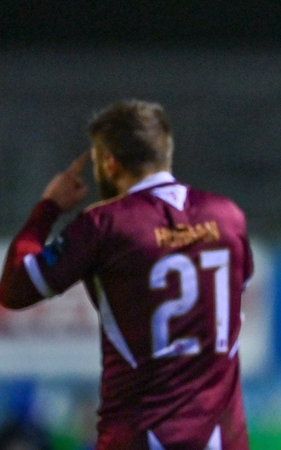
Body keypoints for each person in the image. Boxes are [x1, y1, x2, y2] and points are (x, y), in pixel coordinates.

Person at [0, 100, 253, 449]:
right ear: (165, 153)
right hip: (222, 437)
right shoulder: (228, 216)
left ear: (108, 162)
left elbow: (15, 288)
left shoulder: (104, 225)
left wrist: (49, 207)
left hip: (140, 434)